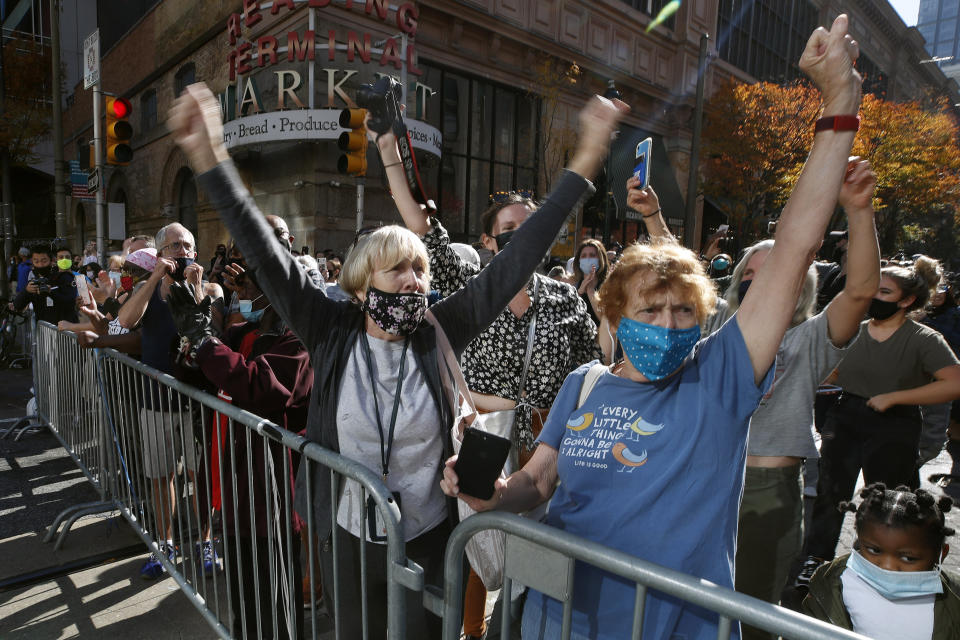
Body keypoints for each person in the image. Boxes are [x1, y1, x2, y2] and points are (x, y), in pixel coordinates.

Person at [441, 15, 866, 639]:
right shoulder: (584, 384)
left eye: (684, 311)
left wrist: (838, 107)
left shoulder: (721, 376)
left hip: (668, 627)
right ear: (613, 314)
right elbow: (537, 481)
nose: (670, 324)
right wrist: (490, 496)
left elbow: (797, 247)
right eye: (650, 310)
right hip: (554, 619)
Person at [168, 80, 626, 640]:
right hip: (346, 534)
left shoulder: (442, 327)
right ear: (362, 285)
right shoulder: (328, 327)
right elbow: (264, 252)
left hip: (430, 536)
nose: (412, 281)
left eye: (419, 270)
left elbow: (520, 255)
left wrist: (586, 159)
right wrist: (209, 156)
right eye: (397, 271)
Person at [377, 111, 604, 640]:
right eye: (508, 232)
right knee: (479, 544)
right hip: (485, 434)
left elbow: (590, 369)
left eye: (530, 230)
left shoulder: (566, 299)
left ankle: (524, 628)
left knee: (543, 548)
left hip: (547, 442)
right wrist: (391, 153)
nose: (520, 240)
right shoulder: (470, 286)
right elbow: (419, 224)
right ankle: (470, 631)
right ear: (486, 241)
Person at [707, 158, 880, 639]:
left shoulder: (810, 338)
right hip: (705, 479)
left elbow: (862, 291)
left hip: (768, 490)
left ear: (797, 283)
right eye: (751, 271)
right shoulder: (720, 325)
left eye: (775, 270)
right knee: (695, 601)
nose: (758, 280)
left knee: (752, 614)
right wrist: (656, 216)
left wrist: (859, 211)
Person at [166, 252, 311, 640]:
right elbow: (194, 372)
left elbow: (260, 388)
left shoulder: (297, 339)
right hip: (235, 486)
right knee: (245, 600)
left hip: (272, 495)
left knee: (275, 603)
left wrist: (202, 340)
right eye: (240, 284)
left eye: (252, 285)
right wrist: (192, 336)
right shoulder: (245, 331)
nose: (242, 291)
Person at [799, 254, 960, 585]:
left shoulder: (923, 339)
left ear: (907, 299)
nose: (874, 297)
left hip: (894, 425)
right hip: (845, 418)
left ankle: (883, 567)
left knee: (890, 503)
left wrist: (896, 398)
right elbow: (833, 372)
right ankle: (815, 563)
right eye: (873, 290)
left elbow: (954, 383)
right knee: (830, 496)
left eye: (884, 292)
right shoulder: (855, 332)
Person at [117, 222, 224, 581]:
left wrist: (193, 289)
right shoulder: (149, 291)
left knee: (201, 477)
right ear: (160, 253)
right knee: (161, 477)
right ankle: (166, 543)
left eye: (189, 245)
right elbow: (125, 320)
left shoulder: (209, 286)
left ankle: (207, 542)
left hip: (197, 403)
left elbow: (211, 330)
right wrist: (154, 279)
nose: (183, 251)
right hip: (155, 401)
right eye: (175, 246)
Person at [801, 483, 959, 639]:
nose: (887, 566)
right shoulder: (828, 583)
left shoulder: (954, 599)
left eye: (908, 558)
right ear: (858, 540)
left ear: (941, 554)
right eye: (874, 550)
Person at [12, 245, 78, 324]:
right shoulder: (34, 283)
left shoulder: (64, 277)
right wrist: (27, 291)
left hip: (64, 331)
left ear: (51, 261)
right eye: (36, 261)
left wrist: (51, 291)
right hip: (43, 332)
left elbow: (70, 301)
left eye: (44, 261)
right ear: (32, 262)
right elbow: (17, 305)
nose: (40, 265)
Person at [571, 238, 609, 324]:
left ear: (600, 259)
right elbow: (569, 315)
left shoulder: (609, 286)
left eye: (592, 255)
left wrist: (590, 291)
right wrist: (580, 292)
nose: (587, 259)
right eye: (583, 256)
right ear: (579, 260)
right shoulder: (572, 285)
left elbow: (605, 321)